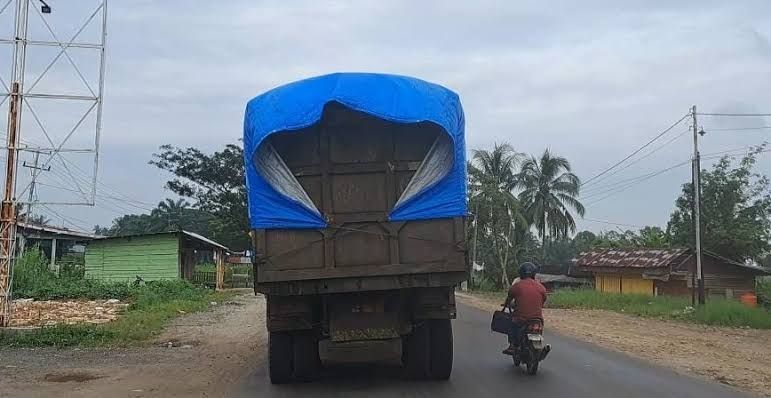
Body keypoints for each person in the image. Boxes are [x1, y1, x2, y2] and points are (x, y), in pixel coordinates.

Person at [502, 262, 547, 355]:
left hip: (521, 319)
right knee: (539, 328)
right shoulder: (541, 287)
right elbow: (543, 301)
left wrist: (505, 305)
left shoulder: (517, 285)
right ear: (534, 274)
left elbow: (509, 298)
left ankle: (512, 346)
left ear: (521, 273)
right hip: (537, 319)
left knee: (511, 324)